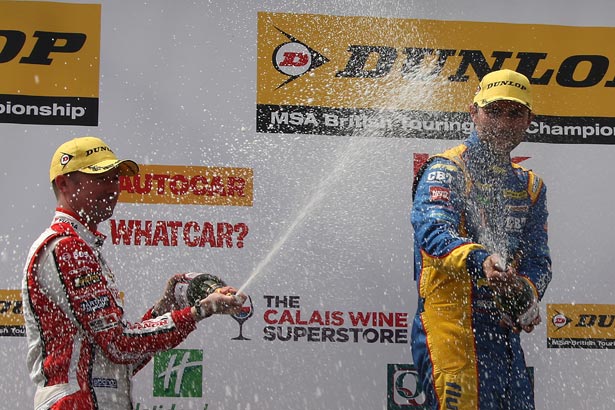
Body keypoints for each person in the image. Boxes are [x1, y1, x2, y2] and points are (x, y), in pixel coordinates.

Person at [21, 136, 247, 410]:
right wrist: (199, 311)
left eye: (115, 178)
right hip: (75, 403)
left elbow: (118, 360)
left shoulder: (82, 247)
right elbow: (119, 345)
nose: (113, 187)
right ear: (64, 183)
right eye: (101, 177)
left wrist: (166, 307)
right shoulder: (68, 248)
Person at [410, 69, 552, 410]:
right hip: (453, 334)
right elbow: (432, 231)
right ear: (473, 112)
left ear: (529, 119)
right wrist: (481, 260)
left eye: (515, 113)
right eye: (494, 111)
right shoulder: (448, 168)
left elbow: (538, 261)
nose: (504, 122)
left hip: (503, 339)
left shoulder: (531, 187)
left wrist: (526, 295)